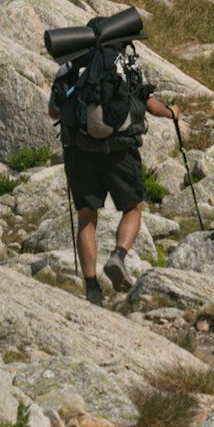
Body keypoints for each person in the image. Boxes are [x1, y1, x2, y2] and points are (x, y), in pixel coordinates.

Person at [58, 37, 178, 305]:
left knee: (87, 217)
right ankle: (119, 256)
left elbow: (55, 112)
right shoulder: (126, 62)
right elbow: (148, 101)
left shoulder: (71, 65)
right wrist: (171, 113)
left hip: (81, 152)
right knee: (133, 207)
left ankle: (91, 287)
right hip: (121, 152)